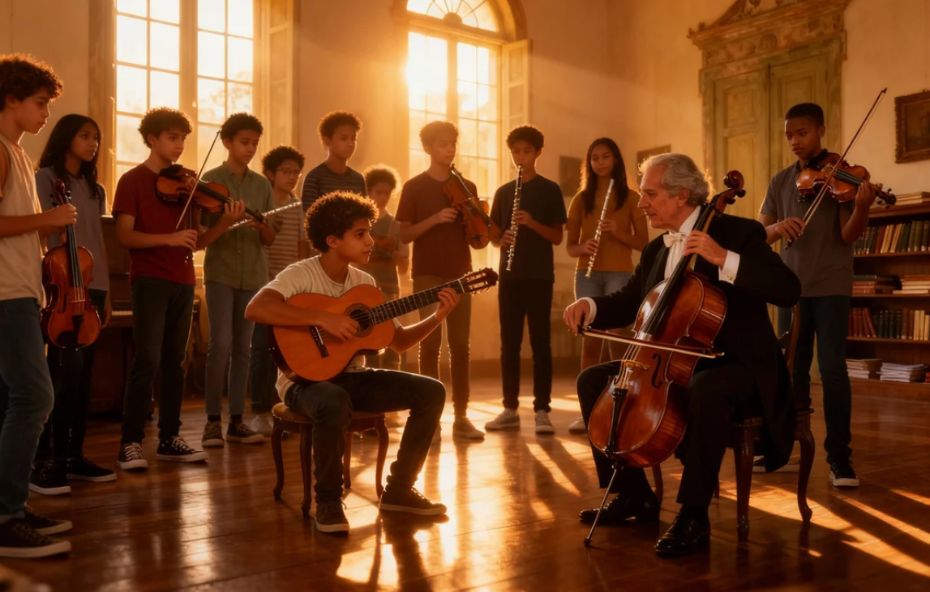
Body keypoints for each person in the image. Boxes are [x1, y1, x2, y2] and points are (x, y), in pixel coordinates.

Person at [563, 153, 800, 557]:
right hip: (675, 361)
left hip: (736, 363)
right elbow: (631, 299)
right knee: (592, 380)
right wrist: (592, 305)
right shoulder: (659, 248)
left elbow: (787, 289)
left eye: (651, 195)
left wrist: (723, 258)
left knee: (707, 389)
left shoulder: (738, 233)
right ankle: (632, 494)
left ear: (682, 195)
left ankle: (693, 514)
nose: (642, 204)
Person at [244, 191, 457, 534]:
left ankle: (399, 490)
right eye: (360, 234)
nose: (370, 241)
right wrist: (321, 319)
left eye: (369, 232)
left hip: (350, 377)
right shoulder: (300, 274)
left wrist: (437, 316)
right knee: (332, 398)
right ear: (332, 240)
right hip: (302, 383)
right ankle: (327, 501)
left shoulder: (365, 284)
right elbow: (256, 308)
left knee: (431, 391)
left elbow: (398, 341)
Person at [759, 102, 878, 488]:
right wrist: (779, 226)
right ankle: (781, 448)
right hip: (789, 288)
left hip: (830, 285)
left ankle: (839, 458)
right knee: (790, 370)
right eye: (789, 134)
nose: (795, 140)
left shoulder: (842, 178)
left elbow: (848, 236)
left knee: (831, 370)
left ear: (821, 130)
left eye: (803, 133)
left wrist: (861, 208)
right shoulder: (780, 182)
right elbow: (761, 234)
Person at [0, 52, 73, 558]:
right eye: (39, 103)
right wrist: (44, 224)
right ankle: (6, 515)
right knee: (35, 398)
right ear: (10, 100)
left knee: (18, 400)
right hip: (4, 293)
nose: (46, 113)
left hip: (22, 289)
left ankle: (14, 506)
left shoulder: (19, 153)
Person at [111, 107, 207, 470]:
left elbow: (196, 242)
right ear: (152, 139)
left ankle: (170, 437)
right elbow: (124, 235)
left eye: (183, 138)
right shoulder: (132, 181)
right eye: (172, 137)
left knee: (174, 362)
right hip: (150, 279)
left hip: (184, 280)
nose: (180, 145)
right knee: (147, 359)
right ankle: (130, 442)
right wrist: (170, 238)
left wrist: (227, 220)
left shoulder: (188, 187)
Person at [31, 114, 115, 496]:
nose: (92, 143)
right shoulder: (45, 178)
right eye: (85, 136)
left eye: (95, 137)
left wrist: (107, 292)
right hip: (59, 283)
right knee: (60, 374)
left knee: (84, 376)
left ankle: (75, 455)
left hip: (92, 287)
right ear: (66, 138)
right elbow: (38, 231)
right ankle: (48, 458)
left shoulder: (94, 188)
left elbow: (98, 240)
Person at [395, 121, 486, 441]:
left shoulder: (467, 186)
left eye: (452, 144)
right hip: (427, 273)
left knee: (461, 346)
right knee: (430, 344)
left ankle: (461, 417)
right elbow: (403, 233)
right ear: (428, 148)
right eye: (443, 144)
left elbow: (478, 242)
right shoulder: (414, 187)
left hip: (462, 273)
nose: (450, 149)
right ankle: (430, 418)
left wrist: (475, 222)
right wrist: (435, 219)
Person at [198, 112, 275, 448]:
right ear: (227, 142)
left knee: (243, 349)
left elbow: (269, 237)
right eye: (244, 142)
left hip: (254, 275)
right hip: (221, 273)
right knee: (221, 344)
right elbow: (202, 238)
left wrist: (261, 227)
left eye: (255, 144)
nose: (250, 149)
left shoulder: (262, 186)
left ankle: (237, 421)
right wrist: (226, 222)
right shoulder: (211, 181)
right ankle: (212, 421)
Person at [484, 125, 566, 434]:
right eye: (516, 152)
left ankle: (542, 410)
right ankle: (509, 409)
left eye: (526, 151)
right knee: (510, 345)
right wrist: (500, 238)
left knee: (541, 344)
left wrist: (531, 222)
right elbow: (492, 234)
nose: (521, 157)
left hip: (540, 276)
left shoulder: (550, 189)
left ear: (538, 152)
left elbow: (557, 237)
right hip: (510, 275)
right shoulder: (505, 192)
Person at [565, 138, 647, 434]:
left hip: (619, 274)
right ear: (589, 163)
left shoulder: (631, 197)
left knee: (617, 339)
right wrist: (584, 246)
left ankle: (620, 406)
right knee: (590, 339)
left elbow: (644, 244)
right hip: (586, 274)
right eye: (595, 158)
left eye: (606, 157)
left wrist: (618, 233)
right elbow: (570, 248)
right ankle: (589, 410)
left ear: (616, 160)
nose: (600, 162)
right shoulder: (580, 199)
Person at [248, 145, 308, 436]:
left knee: (285, 351)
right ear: (270, 174)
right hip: (263, 284)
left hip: (289, 288)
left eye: (296, 172)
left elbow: (301, 248)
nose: (292, 177)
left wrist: (299, 285)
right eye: (286, 171)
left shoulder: (297, 206)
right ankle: (259, 411)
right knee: (260, 348)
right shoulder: (264, 200)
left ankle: (281, 409)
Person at [359, 164, 409, 370]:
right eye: (378, 192)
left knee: (390, 337)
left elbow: (405, 266)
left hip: (389, 288)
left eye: (387, 193)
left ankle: (394, 382)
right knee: (367, 338)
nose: (382, 197)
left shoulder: (396, 225)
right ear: (368, 192)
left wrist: (399, 256)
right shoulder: (361, 223)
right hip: (364, 288)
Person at [300, 111, 366, 212]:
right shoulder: (314, 178)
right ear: (327, 141)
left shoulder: (358, 180)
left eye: (353, 139)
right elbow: (309, 219)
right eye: (343, 139)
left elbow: (364, 217)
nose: (350, 144)